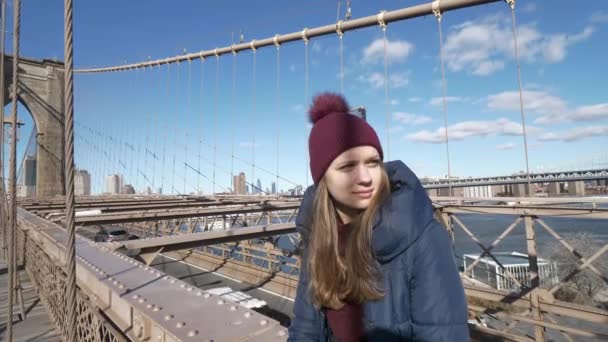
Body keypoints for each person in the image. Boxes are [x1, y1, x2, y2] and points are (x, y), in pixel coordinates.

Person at [287, 92, 469, 341]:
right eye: (347, 166)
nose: (365, 177)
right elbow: (305, 327)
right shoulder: (317, 235)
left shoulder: (422, 236)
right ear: (322, 180)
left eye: (373, 162)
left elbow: (443, 335)